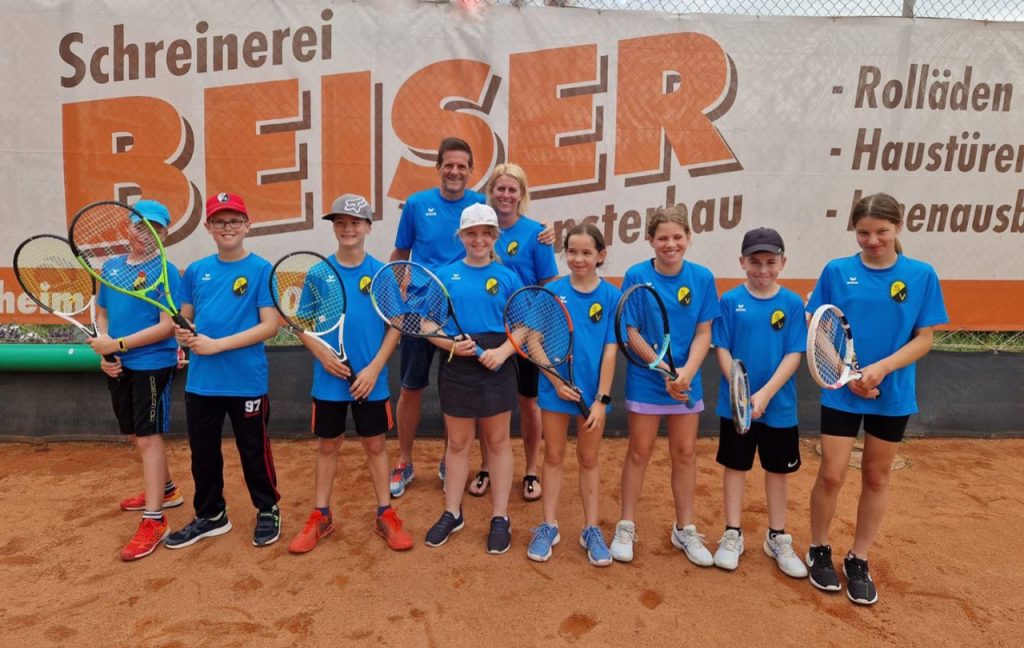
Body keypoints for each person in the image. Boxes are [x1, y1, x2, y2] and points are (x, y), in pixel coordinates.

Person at [388, 139, 556, 498]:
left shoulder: (482, 205)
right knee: (411, 388)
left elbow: (511, 221)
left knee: (462, 395)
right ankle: (404, 460)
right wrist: (392, 293)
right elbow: (401, 253)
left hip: (472, 319)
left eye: (462, 166)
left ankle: (455, 459)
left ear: (470, 171)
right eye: (448, 165)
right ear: (439, 167)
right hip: (424, 312)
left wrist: (546, 232)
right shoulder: (417, 204)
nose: (454, 172)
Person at [805, 192, 947, 605]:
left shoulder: (921, 275)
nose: (872, 241)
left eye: (882, 232)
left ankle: (858, 558)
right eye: (863, 233)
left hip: (893, 392)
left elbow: (924, 339)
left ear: (898, 228)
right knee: (831, 474)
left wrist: (881, 368)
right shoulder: (837, 270)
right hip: (842, 391)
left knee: (876, 476)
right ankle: (818, 549)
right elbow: (816, 323)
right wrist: (844, 372)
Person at [286, 194, 411, 554]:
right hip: (329, 378)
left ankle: (385, 512)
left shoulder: (380, 274)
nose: (347, 229)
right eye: (340, 222)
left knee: (375, 444)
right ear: (334, 228)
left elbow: (397, 323)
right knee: (329, 445)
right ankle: (321, 514)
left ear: (369, 227)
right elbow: (301, 324)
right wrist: (322, 354)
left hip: (369, 379)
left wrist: (374, 368)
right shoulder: (319, 272)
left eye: (355, 222)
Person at [165, 192, 282, 549]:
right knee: (202, 453)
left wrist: (217, 344)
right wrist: (184, 333)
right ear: (208, 228)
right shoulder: (197, 271)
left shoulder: (262, 269)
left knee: (253, 449)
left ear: (247, 226)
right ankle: (212, 515)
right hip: (202, 382)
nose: (227, 227)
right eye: (219, 221)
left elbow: (270, 327)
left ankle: (267, 509)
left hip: (246, 381)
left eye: (234, 221)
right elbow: (186, 319)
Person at [609, 205, 719, 565]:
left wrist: (684, 372)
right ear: (650, 240)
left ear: (688, 238)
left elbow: (705, 332)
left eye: (677, 237)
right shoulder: (636, 275)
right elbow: (631, 331)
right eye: (662, 238)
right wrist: (664, 371)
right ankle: (626, 524)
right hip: (647, 379)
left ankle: (684, 528)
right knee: (639, 451)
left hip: (688, 378)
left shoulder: (702, 277)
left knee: (685, 453)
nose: (670, 244)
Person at [85, 199, 184, 561]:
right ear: (127, 228)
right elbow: (102, 312)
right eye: (140, 226)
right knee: (133, 433)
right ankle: (168, 489)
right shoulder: (110, 268)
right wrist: (108, 353)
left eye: (155, 229)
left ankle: (155, 519)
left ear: (165, 234)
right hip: (119, 365)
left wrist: (119, 345)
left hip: (153, 364)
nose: (147, 234)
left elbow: (166, 326)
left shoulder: (167, 271)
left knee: (147, 437)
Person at [423, 203, 523, 553]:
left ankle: (500, 517)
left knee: (497, 443)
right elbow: (426, 324)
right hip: (457, 364)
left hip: (496, 362)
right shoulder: (445, 275)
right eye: (471, 233)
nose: (478, 239)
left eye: (485, 233)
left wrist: (503, 353)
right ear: (461, 236)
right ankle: (453, 512)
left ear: (494, 236)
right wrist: (449, 342)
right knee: (458, 443)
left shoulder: (509, 277)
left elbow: (523, 326)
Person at [710, 227, 808, 578]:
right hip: (735, 407)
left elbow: (794, 353)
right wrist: (739, 391)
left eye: (770, 262)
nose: (763, 269)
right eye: (755, 262)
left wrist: (764, 394)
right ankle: (732, 533)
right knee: (735, 467)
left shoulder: (793, 304)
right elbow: (721, 347)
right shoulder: (729, 300)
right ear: (742, 262)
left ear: (783, 262)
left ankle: (777, 536)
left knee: (778, 471)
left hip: (778, 406)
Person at [525, 223, 619, 566]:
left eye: (587, 252)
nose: (579, 259)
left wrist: (602, 400)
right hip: (554, 392)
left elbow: (610, 349)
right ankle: (548, 525)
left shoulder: (610, 296)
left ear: (600, 255)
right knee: (553, 456)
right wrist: (554, 380)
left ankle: (591, 528)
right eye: (573, 252)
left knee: (589, 459)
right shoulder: (552, 292)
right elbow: (532, 340)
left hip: (593, 397)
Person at [469, 163, 558, 502]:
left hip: (529, 333)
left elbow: (548, 286)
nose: (505, 195)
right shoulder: (480, 229)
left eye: (512, 189)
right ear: (490, 191)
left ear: (522, 194)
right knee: (488, 404)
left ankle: (531, 469)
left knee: (528, 402)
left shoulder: (537, 234)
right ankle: (487, 466)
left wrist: (526, 329)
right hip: (491, 331)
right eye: (500, 188)